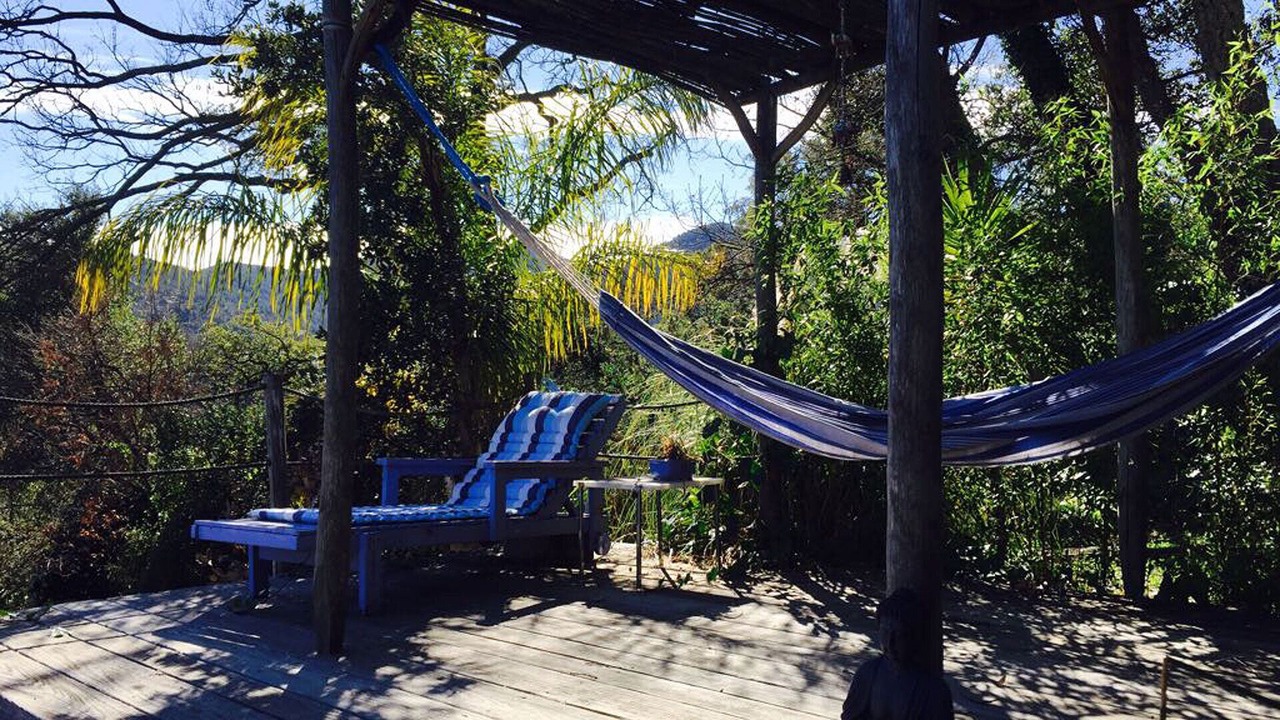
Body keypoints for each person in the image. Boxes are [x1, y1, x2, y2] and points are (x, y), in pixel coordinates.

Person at [842, 588, 954, 720]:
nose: (890, 643)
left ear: (915, 637)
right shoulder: (868, 673)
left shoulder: (933, 690)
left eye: (899, 635)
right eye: (885, 632)